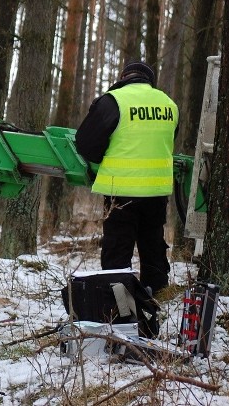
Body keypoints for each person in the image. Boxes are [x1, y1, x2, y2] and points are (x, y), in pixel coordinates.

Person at [75, 60, 178, 296]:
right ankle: (159, 296)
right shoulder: (169, 104)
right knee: (153, 245)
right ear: (149, 81)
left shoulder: (113, 101)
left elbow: (86, 144)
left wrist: (102, 159)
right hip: (156, 191)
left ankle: (118, 303)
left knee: (117, 250)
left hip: (121, 191)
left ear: (123, 78)